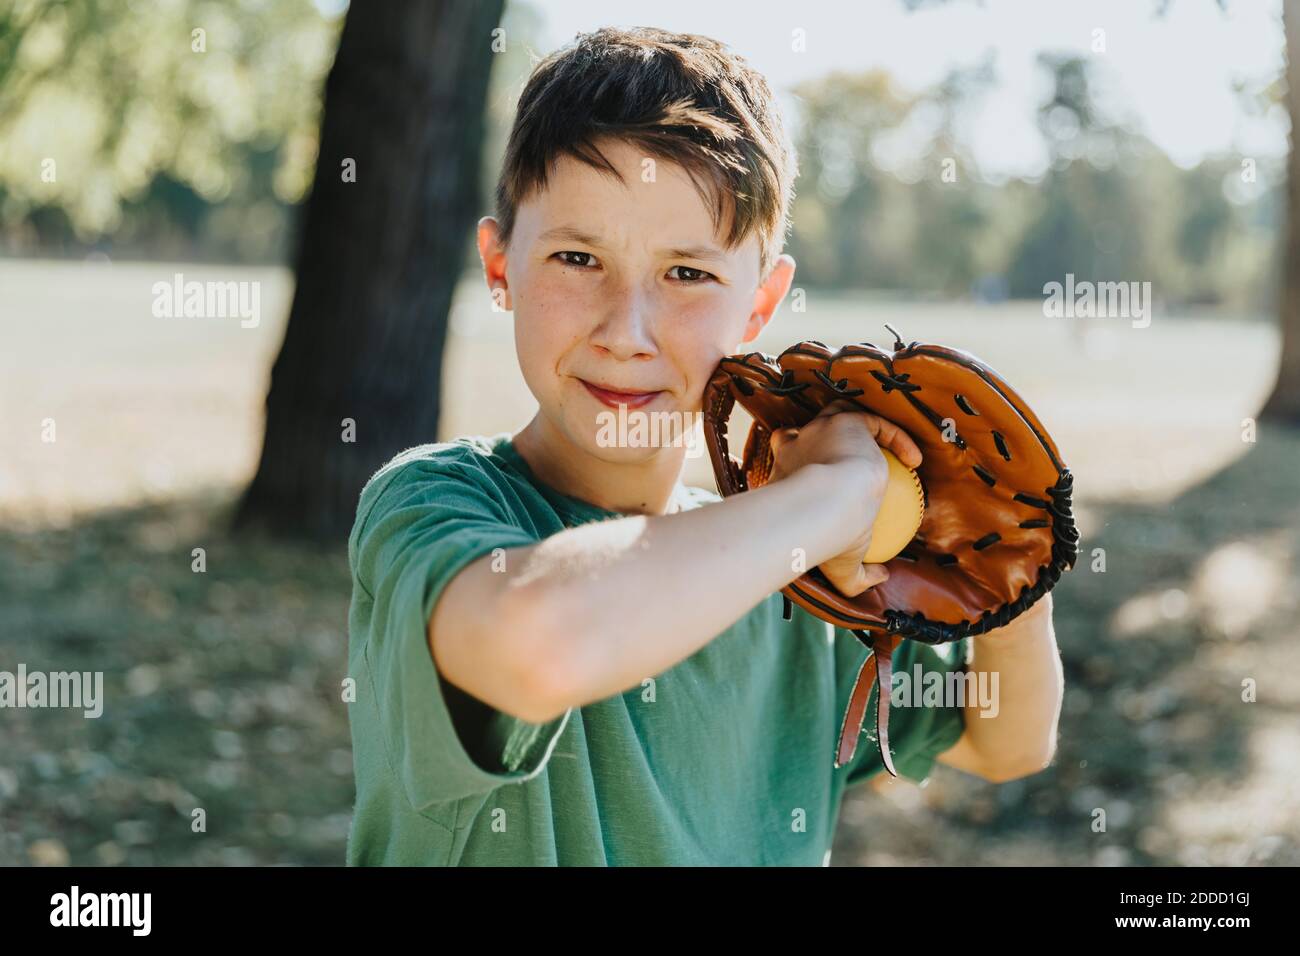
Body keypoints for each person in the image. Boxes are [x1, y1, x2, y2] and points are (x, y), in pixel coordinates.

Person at [345, 26, 1062, 866]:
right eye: (578, 258)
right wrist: (836, 497)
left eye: (688, 274)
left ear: (760, 305)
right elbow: (539, 648)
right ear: (500, 268)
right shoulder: (434, 505)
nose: (627, 332)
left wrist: (1010, 561)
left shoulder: (797, 580)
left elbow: (1009, 743)